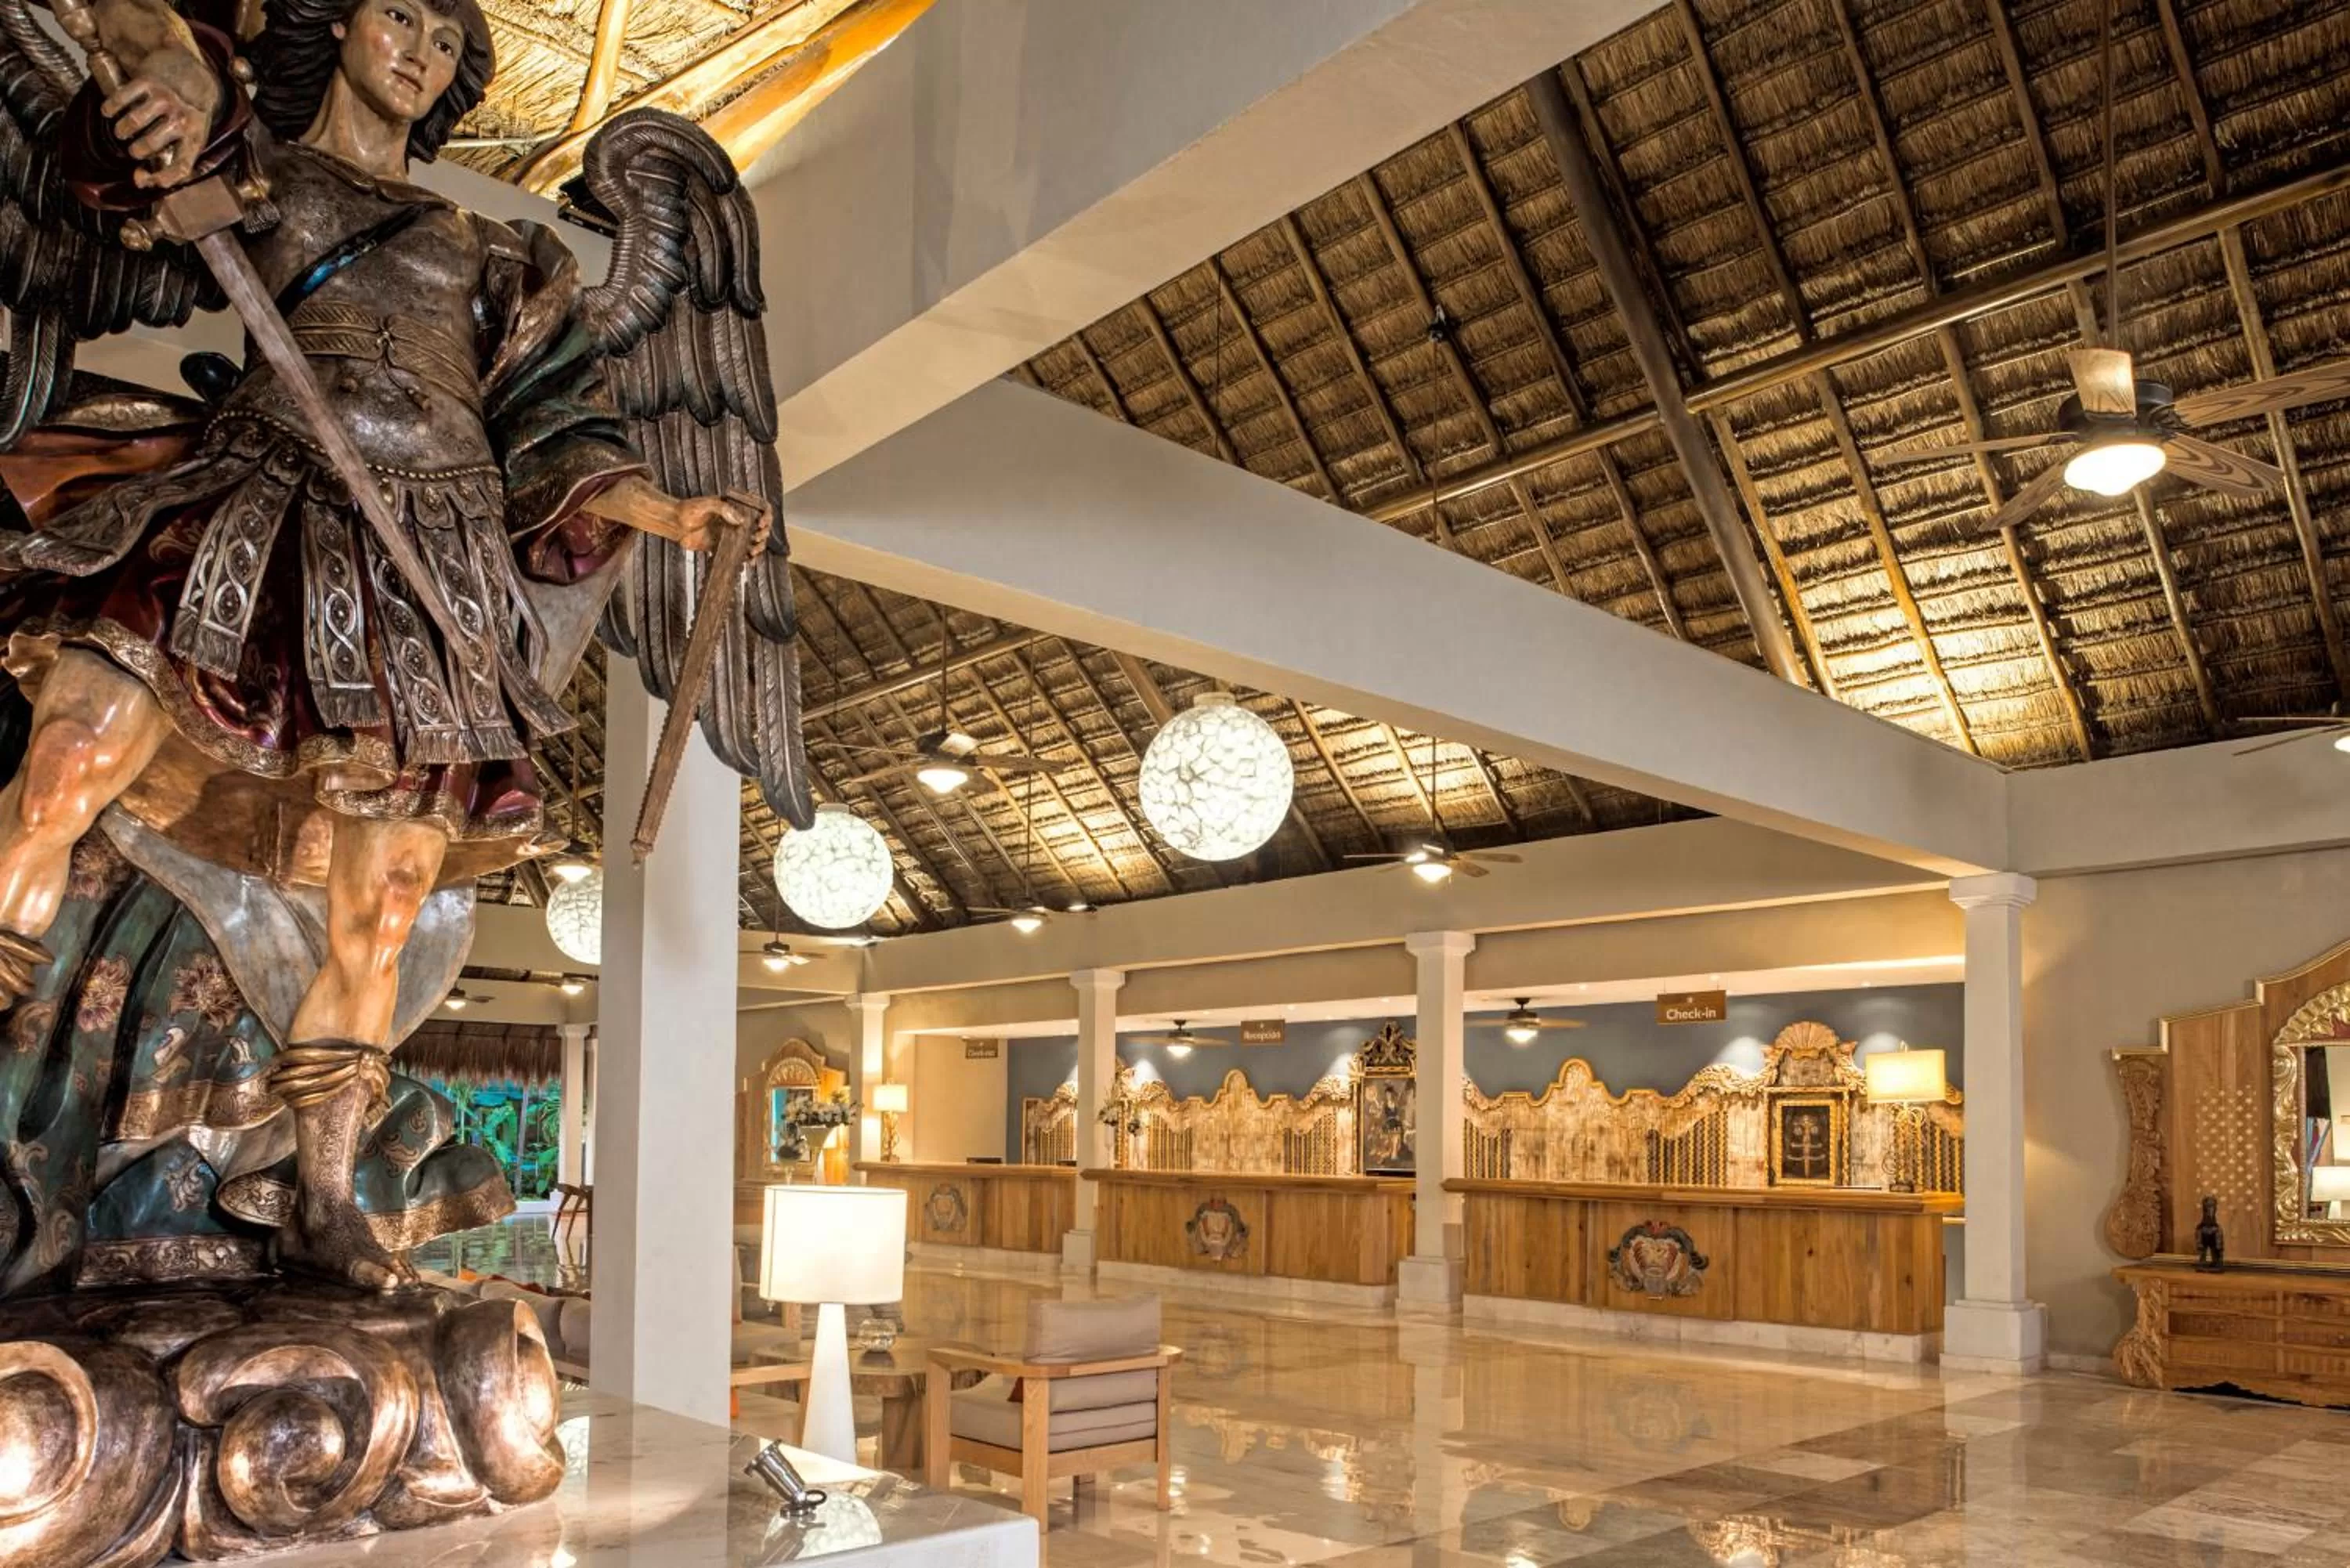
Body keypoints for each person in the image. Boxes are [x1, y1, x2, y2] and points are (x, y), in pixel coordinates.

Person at [0, 0, 765, 1286]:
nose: (421, 52)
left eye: (448, 43)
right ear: (341, 26)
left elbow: (557, 427)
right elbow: (137, 138)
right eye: (399, 16)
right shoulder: (260, 165)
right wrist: (160, 87)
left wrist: (671, 511)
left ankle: (321, 1197)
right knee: (67, 762)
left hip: (433, 561)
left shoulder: (497, 251)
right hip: (262, 496)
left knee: (387, 901)